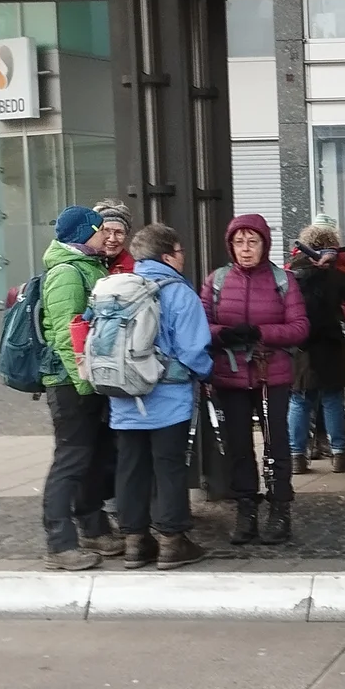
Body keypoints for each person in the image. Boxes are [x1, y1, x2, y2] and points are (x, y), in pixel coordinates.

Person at [110, 223, 214, 570]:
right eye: (180, 251)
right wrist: (206, 374)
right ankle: (172, 541)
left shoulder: (116, 288)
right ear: (168, 256)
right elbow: (194, 350)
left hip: (124, 396)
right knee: (168, 467)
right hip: (167, 398)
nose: (183, 258)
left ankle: (135, 542)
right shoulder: (179, 292)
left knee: (130, 467)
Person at [201, 214, 309, 546]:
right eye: (239, 242)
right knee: (238, 446)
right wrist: (224, 334)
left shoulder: (283, 280)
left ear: (265, 244)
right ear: (230, 246)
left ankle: (279, 508)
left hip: (270, 374)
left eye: (253, 242)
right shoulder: (217, 280)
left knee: (277, 444)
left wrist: (261, 333)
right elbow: (200, 324)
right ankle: (246, 508)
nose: (246, 249)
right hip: (230, 375)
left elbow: (300, 327)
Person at [38, 205, 116, 570]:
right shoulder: (67, 273)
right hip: (71, 384)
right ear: (84, 233)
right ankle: (60, 543)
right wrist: (86, 384)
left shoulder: (89, 265)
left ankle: (94, 529)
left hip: (89, 381)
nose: (106, 236)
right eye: (100, 229)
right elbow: (66, 336)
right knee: (70, 461)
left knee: (94, 458)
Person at [286, 222, 345, 474]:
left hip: (300, 346)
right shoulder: (336, 275)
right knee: (332, 398)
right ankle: (339, 454)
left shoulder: (290, 275)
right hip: (330, 344)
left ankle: (296, 456)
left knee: (299, 399)